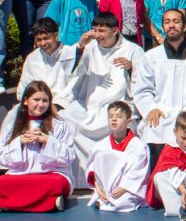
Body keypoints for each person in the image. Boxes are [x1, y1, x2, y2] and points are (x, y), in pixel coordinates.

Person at [61, 12, 144, 162]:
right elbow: (75, 73)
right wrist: (80, 46)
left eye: (102, 31)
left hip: (120, 102)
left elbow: (145, 79)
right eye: (95, 30)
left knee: (119, 119)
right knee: (65, 117)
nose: (97, 35)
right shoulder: (91, 47)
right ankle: (81, 173)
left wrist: (132, 67)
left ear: (115, 30)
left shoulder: (133, 50)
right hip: (91, 103)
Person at [132, 9, 186, 163]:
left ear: (185, 26)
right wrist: (151, 108)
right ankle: (158, 178)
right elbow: (143, 89)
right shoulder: (152, 56)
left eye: (175, 21)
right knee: (153, 128)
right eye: (167, 22)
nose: (171, 25)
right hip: (161, 112)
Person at [0, 81, 75, 213]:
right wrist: (19, 141)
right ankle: (50, 202)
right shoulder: (13, 125)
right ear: (26, 101)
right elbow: (2, 158)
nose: (41, 104)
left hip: (49, 174)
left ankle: (5, 203)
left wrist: (47, 140)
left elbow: (69, 156)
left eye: (45, 100)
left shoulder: (58, 124)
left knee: (57, 183)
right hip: (21, 174)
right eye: (36, 100)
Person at [85, 101, 149, 213]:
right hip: (105, 188)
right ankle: (102, 198)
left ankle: (104, 202)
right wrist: (98, 188)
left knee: (124, 202)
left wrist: (124, 188)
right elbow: (93, 169)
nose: (114, 119)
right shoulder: (101, 145)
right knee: (100, 155)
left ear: (128, 121)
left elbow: (139, 171)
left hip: (127, 189)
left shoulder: (138, 146)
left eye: (119, 117)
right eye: (111, 116)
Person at [17, 18, 79, 106]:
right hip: (38, 106)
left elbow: (75, 88)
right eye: (39, 40)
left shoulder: (70, 54)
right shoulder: (32, 58)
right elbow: (24, 88)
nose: (42, 43)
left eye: (46, 38)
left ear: (56, 35)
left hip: (64, 105)